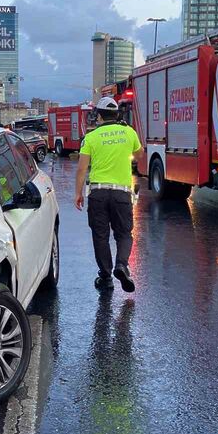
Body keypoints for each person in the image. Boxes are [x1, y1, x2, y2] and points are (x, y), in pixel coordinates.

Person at [74, 97, 144, 293]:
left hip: (98, 193)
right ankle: (121, 265)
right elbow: (139, 155)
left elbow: (81, 169)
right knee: (124, 234)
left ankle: (105, 276)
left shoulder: (91, 137)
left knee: (100, 236)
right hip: (121, 193)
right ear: (117, 114)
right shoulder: (129, 132)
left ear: (99, 116)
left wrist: (78, 193)